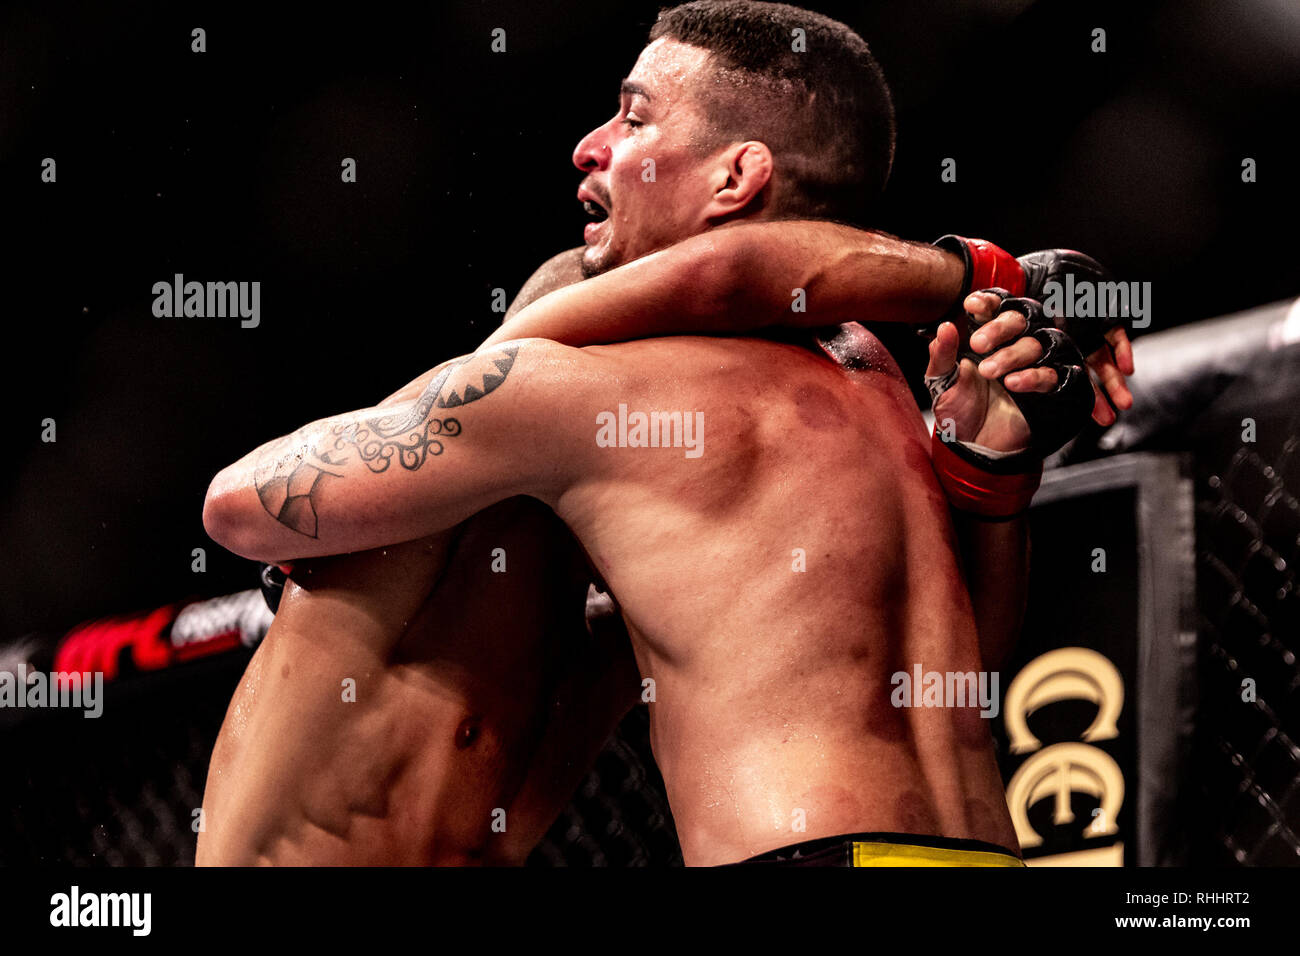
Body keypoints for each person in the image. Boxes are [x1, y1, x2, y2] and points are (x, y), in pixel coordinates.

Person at [198, 0, 1132, 866]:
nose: (588, 147)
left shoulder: (592, 393)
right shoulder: (877, 387)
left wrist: (984, 273)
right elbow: (962, 670)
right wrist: (990, 469)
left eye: (634, 118)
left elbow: (238, 508)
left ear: (737, 176)